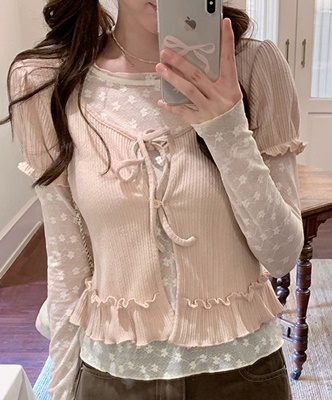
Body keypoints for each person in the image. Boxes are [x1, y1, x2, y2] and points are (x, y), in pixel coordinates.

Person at [3, 0, 305, 398]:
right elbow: (66, 265)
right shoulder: (48, 81)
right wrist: (60, 390)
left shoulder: (253, 66)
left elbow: (281, 254)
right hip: (113, 378)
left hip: (241, 373)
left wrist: (227, 128)